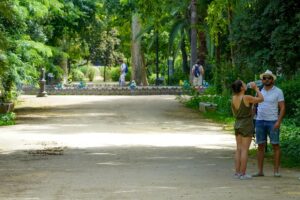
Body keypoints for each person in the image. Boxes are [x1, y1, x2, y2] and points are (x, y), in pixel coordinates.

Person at [253, 69, 285, 177]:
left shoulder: (278, 91)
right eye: (264, 78)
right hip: (260, 121)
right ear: (262, 80)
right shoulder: (259, 91)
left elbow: (282, 107)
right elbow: (254, 105)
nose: (266, 80)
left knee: (275, 145)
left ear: (273, 80)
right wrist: (253, 118)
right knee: (260, 145)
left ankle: (276, 171)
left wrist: (278, 121)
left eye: (269, 78)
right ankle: (260, 171)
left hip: (272, 121)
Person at [231, 80, 264, 180]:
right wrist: (256, 89)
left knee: (238, 149)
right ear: (241, 88)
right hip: (246, 124)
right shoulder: (246, 97)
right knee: (245, 149)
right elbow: (261, 99)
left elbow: (234, 113)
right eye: (244, 84)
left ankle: (237, 173)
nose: (246, 85)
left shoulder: (233, 98)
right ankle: (243, 173)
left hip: (237, 123)